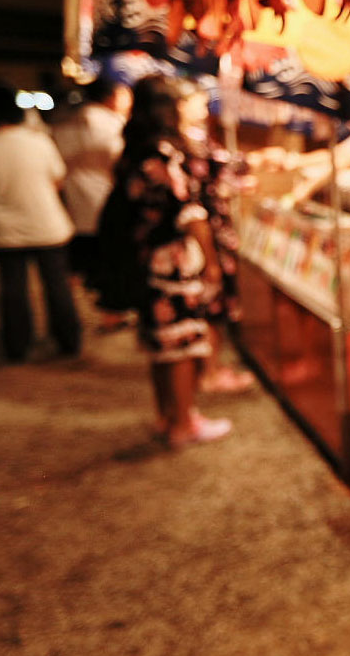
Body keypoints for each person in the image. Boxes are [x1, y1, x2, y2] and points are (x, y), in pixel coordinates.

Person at [104, 75, 231, 447]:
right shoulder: (166, 153)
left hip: (145, 260)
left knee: (160, 345)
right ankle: (184, 424)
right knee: (180, 346)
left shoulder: (135, 151)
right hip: (172, 262)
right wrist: (210, 262)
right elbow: (189, 212)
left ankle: (167, 417)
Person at [0, 84, 83, 362]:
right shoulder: (38, 141)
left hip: (5, 230)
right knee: (57, 285)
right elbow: (58, 178)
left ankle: (16, 346)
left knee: (13, 290)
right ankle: (68, 340)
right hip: (47, 224)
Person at [173, 78, 254, 393]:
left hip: (210, 234)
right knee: (213, 302)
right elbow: (218, 173)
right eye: (197, 101)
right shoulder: (187, 145)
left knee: (212, 302)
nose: (204, 107)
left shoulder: (189, 141)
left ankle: (210, 368)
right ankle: (210, 372)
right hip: (207, 236)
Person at [50, 75, 131, 322]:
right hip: (107, 200)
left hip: (75, 202)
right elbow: (120, 162)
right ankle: (109, 313)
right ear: (112, 97)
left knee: (80, 260)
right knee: (107, 261)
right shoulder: (113, 125)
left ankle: (72, 314)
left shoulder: (66, 122)